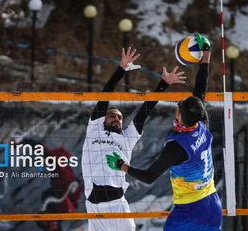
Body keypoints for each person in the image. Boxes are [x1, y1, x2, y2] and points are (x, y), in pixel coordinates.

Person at [105, 36, 222, 231]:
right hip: (212, 204)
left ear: (180, 116)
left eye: (179, 106)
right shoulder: (201, 124)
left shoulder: (177, 147)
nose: (177, 105)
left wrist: (120, 165)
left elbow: (150, 176)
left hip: (189, 211)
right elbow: (201, 91)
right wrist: (206, 54)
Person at [81, 47, 186, 231]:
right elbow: (106, 95)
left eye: (120, 117)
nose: (116, 118)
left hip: (117, 205)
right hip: (94, 206)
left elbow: (144, 112)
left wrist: (163, 84)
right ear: (103, 118)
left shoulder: (126, 138)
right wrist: (121, 68)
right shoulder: (94, 128)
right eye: (112, 115)